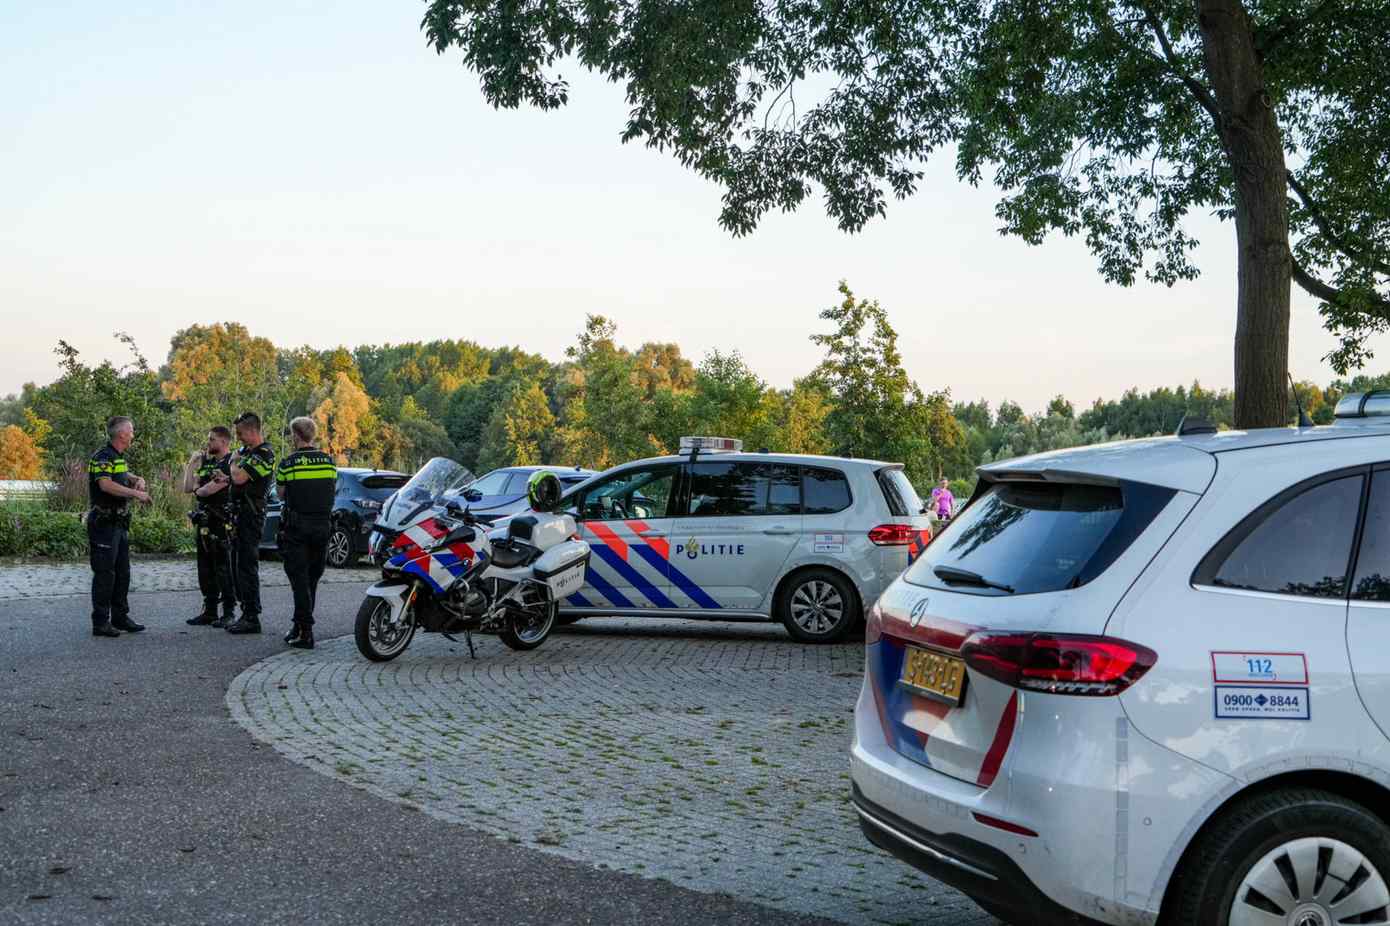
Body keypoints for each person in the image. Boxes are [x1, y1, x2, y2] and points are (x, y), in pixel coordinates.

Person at [275, 417, 336, 649]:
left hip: (297, 527)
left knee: (298, 579)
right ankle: (299, 625)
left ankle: (306, 631)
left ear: (296, 436)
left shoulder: (288, 463)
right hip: (323, 526)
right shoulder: (328, 462)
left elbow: (280, 494)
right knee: (312, 578)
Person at [87, 416, 152, 637]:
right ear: (122, 434)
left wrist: (137, 479)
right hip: (104, 524)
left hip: (119, 523)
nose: (133, 434)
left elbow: (122, 474)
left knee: (122, 573)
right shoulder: (103, 457)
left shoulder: (117, 457)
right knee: (105, 573)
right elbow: (105, 484)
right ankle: (100, 622)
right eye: (131, 431)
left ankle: (120, 617)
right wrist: (136, 493)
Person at [224, 412, 276, 635]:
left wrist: (234, 462)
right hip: (238, 515)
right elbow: (233, 477)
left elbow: (239, 477)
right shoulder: (247, 453)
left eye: (241, 434)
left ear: (253, 431)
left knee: (246, 566)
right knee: (237, 565)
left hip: (251, 515)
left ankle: (252, 616)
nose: (238, 438)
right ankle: (245, 611)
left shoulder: (264, 453)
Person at [183, 426, 237, 627]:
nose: (208, 443)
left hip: (220, 521)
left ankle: (229, 612)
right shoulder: (207, 464)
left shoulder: (229, 463)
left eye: (212, 439)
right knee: (205, 568)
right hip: (204, 521)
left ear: (223, 441)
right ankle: (210, 610)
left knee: (223, 567)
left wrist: (199, 489)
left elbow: (206, 491)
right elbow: (189, 488)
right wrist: (191, 465)